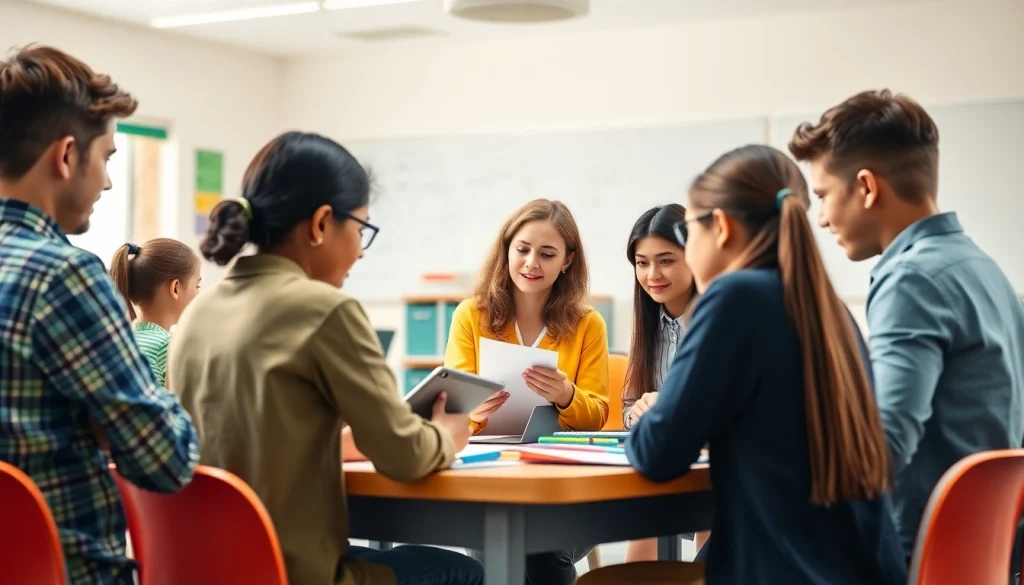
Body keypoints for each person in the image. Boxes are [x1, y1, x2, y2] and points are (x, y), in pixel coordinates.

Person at [168, 131, 484, 585]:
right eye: (361, 229)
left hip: (211, 569)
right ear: (320, 223)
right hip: (295, 573)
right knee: (461, 569)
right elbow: (406, 457)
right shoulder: (325, 311)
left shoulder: (198, 313)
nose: (359, 250)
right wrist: (446, 435)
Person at [621, 144, 907, 585]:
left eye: (686, 236)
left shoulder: (735, 298)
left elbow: (659, 454)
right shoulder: (830, 310)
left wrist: (647, 415)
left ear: (719, 227)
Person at [788, 89, 1024, 561]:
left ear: (867, 187)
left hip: (910, 549)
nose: (819, 218)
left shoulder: (911, 279)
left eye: (823, 196)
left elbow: (882, 446)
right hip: (984, 552)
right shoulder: (984, 269)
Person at [0, 45, 199, 585]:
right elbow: (163, 459)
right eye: (108, 157)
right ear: (67, 157)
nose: (109, 182)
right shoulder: (65, 275)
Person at [444, 198, 610, 585]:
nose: (531, 263)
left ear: (567, 261)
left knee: (541, 550)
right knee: (493, 544)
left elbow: (598, 415)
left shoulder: (588, 324)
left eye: (547, 254)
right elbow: (452, 412)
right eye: (522, 249)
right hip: (493, 480)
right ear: (506, 251)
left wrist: (567, 396)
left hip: (565, 485)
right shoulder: (472, 315)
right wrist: (475, 410)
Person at [621, 204, 703, 563]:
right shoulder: (648, 326)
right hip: (661, 469)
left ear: (694, 255)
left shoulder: (716, 319)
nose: (652, 274)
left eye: (666, 260)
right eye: (642, 262)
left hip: (709, 473)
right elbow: (627, 411)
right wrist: (638, 413)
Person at [109, 238, 202, 384]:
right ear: (175, 288)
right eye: (197, 286)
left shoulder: (125, 336)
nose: (198, 295)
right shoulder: (167, 346)